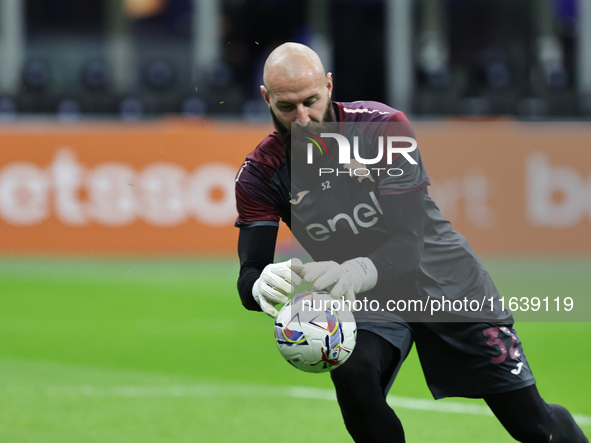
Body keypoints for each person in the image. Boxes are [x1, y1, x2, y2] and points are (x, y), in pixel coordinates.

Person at [234, 42, 588, 443]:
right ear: (265, 98)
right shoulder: (260, 174)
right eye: (286, 107)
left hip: (445, 282)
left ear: (330, 86)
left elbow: (407, 244)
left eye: (311, 101)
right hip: (371, 300)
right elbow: (250, 277)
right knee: (352, 370)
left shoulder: (381, 128)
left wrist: (354, 270)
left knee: (532, 425)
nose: (303, 119)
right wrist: (261, 286)